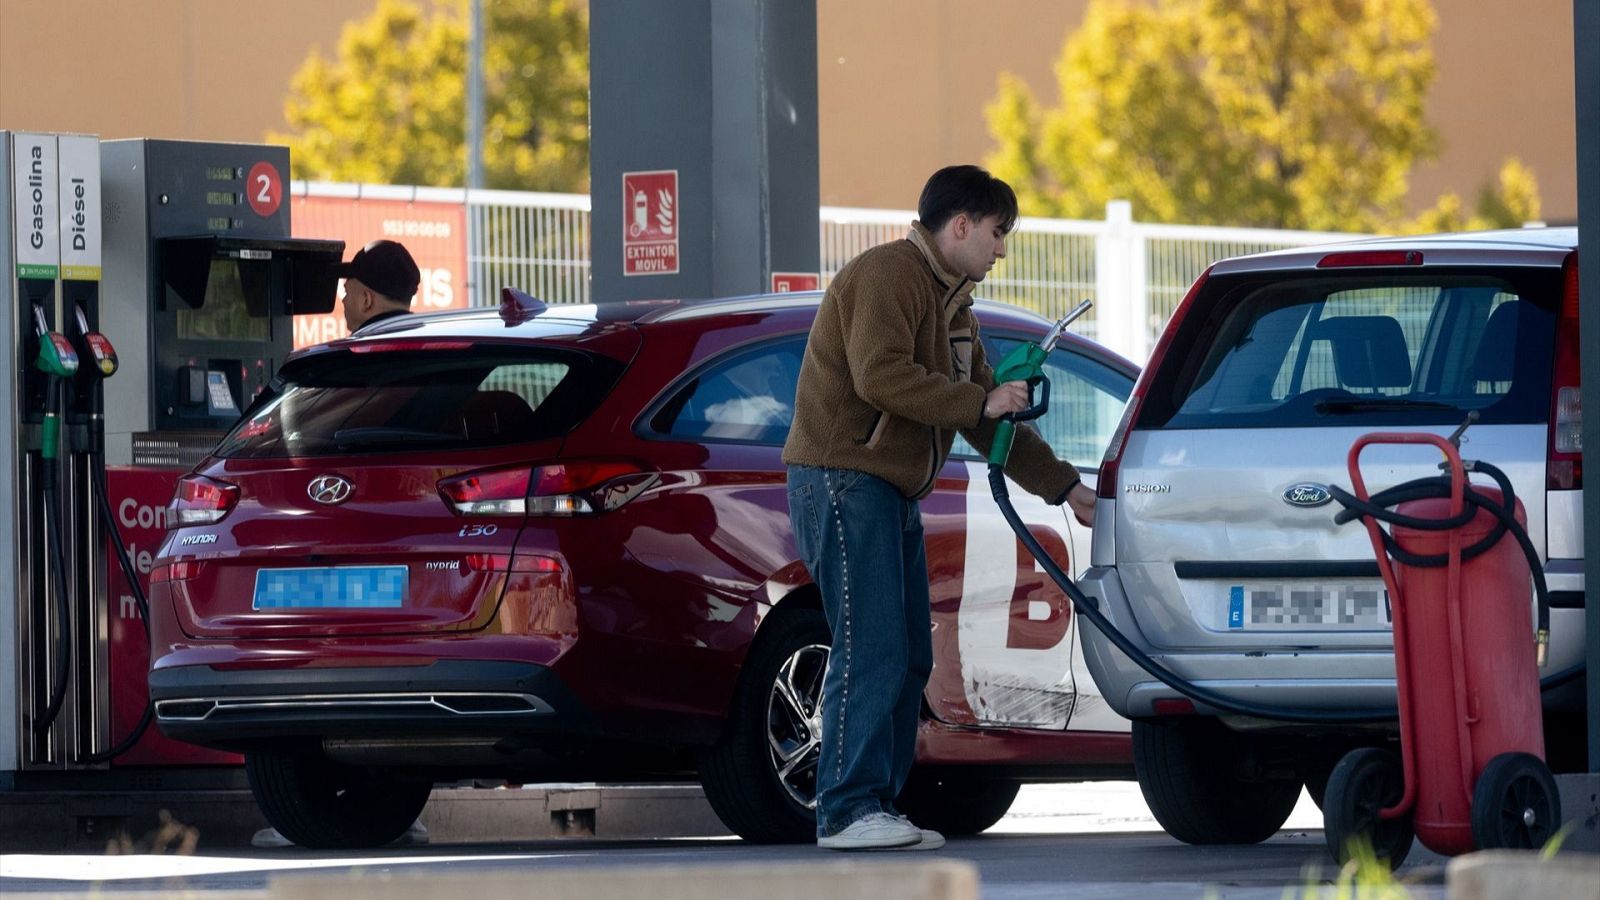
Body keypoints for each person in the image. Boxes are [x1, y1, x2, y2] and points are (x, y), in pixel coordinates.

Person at [782, 165, 1094, 851]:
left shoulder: (954, 305)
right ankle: (845, 810)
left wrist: (1068, 489)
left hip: (884, 488)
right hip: (843, 480)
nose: (1000, 249)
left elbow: (987, 420)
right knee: (872, 649)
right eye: (996, 232)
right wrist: (977, 401)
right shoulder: (886, 276)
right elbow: (881, 373)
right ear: (960, 225)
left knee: (906, 657)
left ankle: (876, 808)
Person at [336, 238, 422, 332]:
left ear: (366, 300)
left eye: (346, 292)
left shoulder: (355, 346)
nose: (344, 300)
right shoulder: (430, 341)